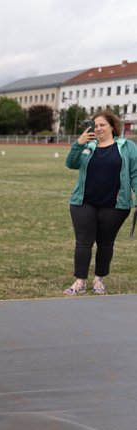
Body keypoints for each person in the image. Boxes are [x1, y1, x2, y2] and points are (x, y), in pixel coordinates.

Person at [62, 110, 137, 295]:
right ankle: (79, 282)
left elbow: (135, 174)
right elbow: (71, 163)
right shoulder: (88, 146)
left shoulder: (127, 147)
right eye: (96, 125)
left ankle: (99, 280)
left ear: (112, 126)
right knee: (83, 242)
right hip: (83, 203)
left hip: (115, 206)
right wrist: (78, 144)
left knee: (105, 243)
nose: (98, 128)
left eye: (103, 125)